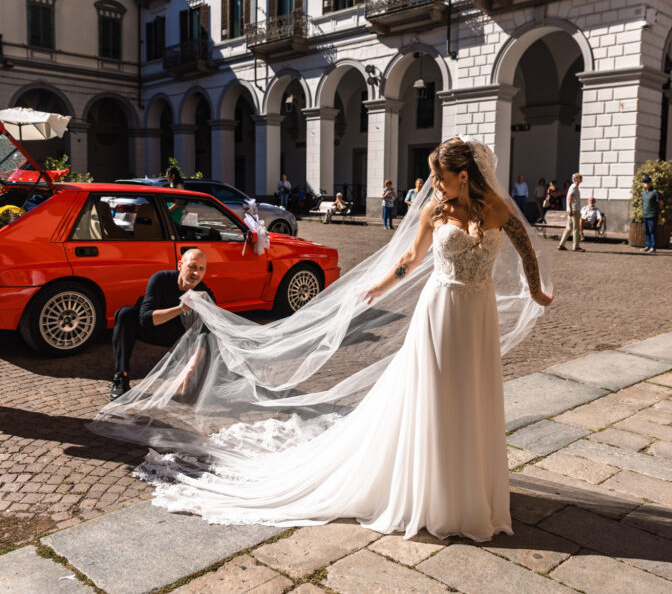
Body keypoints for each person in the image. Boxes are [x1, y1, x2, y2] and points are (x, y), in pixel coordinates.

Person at [92, 136, 552, 542]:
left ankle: (470, 491)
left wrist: (535, 290)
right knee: (434, 393)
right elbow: (412, 257)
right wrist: (381, 285)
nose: (434, 185)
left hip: (478, 311)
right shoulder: (437, 209)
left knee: (472, 393)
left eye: (441, 177)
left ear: (464, 174)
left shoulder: (498, 208)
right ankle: (431, 491)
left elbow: (526, 246)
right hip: (441, 310)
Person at [110, 249, 216, 400]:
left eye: (201, 269)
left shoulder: (205, 293)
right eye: (192, 266)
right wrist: (181, 308)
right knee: (125, 313)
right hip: (150, 327)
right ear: (180, 265)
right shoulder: (161, 278)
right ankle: (121, 377)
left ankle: (192, 375)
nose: (196, 274)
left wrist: (191, 368)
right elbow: (145, 319)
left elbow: (207, 334)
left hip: (178, 337)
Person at [557, 173, 584, 252]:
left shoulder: (573, 186)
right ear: (576, 179)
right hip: (574, 210)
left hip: (572, 210)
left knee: (569, 228)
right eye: (580, 177)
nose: (581, 178)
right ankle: (576, 246)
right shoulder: (574, 187)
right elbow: (569, 198)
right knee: (576, 228)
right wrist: (571, 209)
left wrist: (569, 209)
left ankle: (561, 245)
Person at [640, 175, 662, 253]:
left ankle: (653, 246)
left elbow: (660, 202)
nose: (646, 184)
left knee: (652, 230)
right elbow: (643, 203)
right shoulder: (643, 193)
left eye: (647, 182)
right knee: (646, 231)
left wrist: (657, 211)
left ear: (651, 183)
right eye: (644, 182)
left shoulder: (654, 192)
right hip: (645, 214)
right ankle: (648, 245)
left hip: (652, 214)